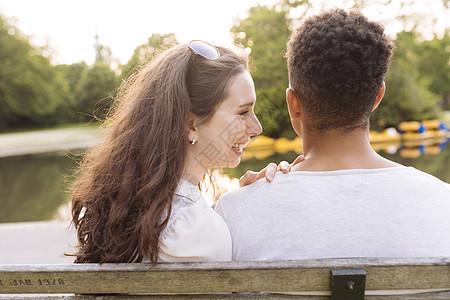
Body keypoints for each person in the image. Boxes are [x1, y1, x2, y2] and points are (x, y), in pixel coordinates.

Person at [215, 9, 450, 261]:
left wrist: (251, 197)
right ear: (377, 97)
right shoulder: (444, 202)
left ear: (293, 103)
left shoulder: (232, 214)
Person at [70, 40, 285, 264]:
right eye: (243, 112)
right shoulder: (200, 232)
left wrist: (241, 203)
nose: (257, 127)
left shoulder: (125, 213)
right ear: (191, 124)